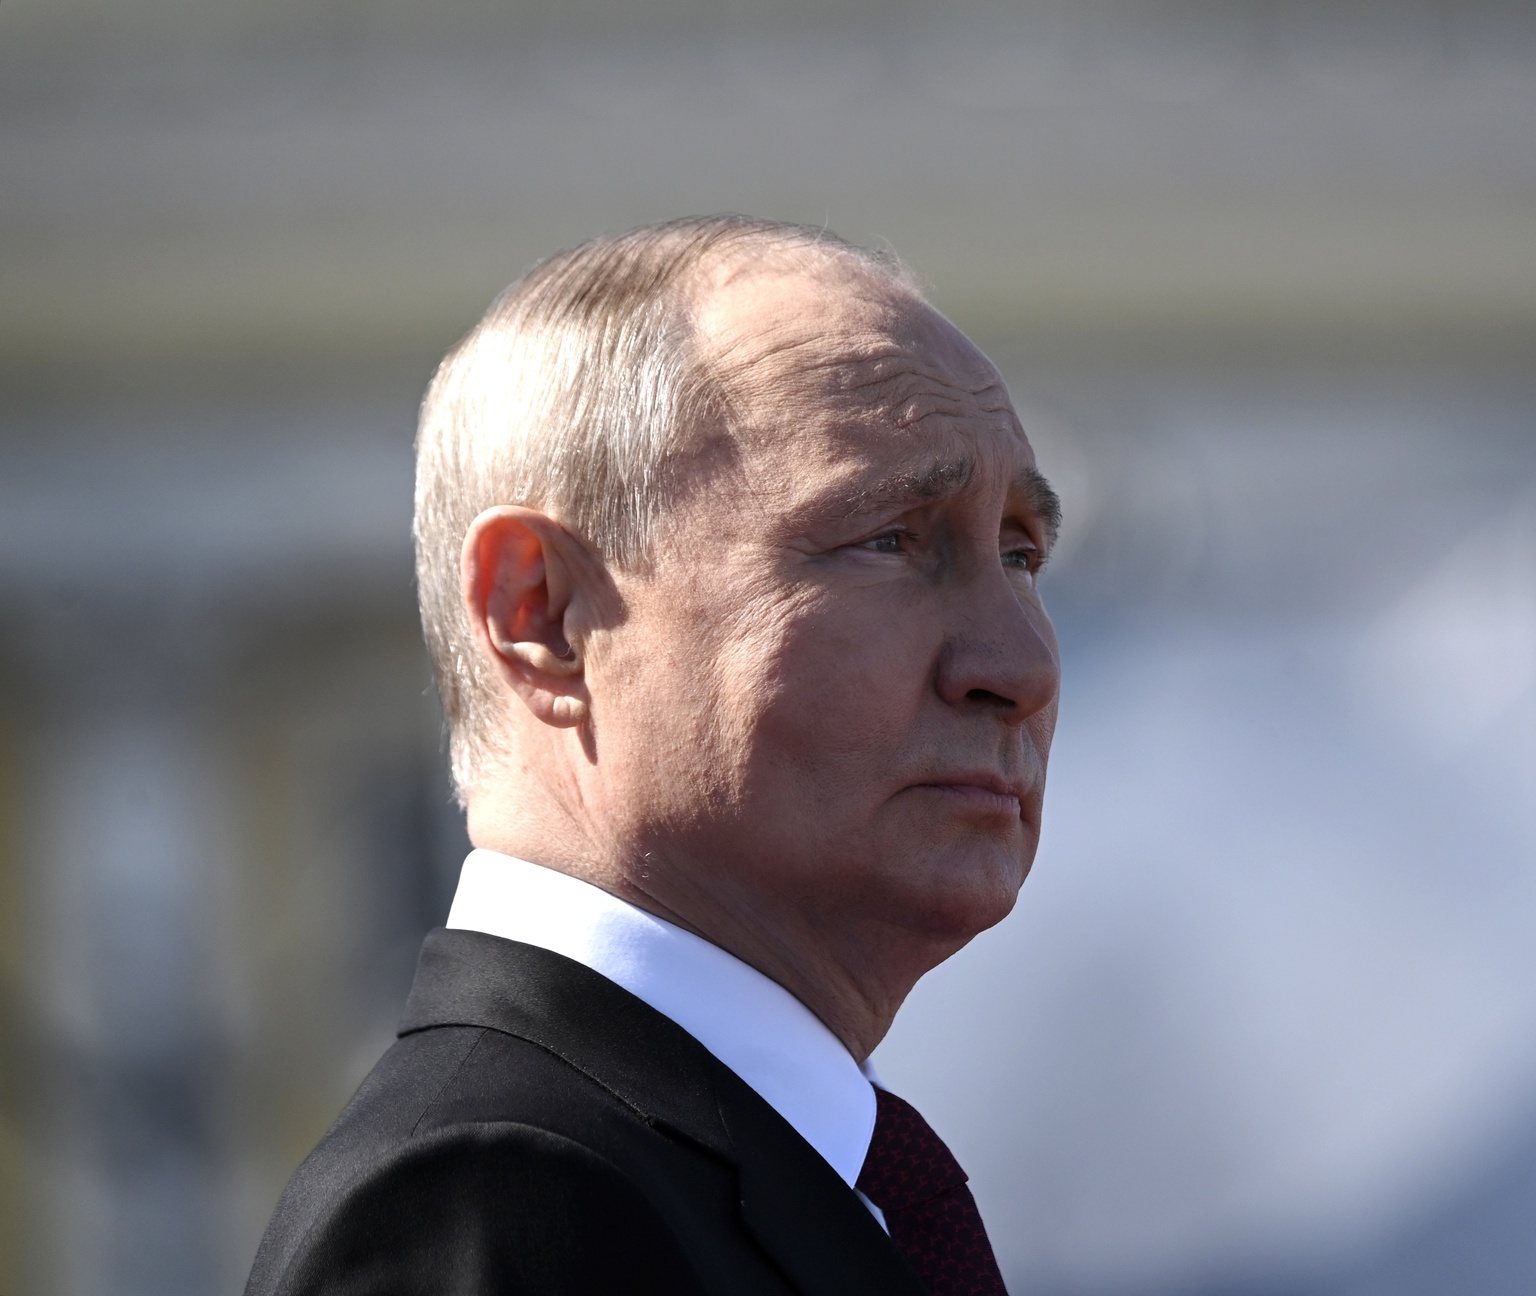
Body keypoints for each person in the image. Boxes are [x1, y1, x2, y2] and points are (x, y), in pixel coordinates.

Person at [242, 216, 1061, 1295]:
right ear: (541, 614)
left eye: (1020, 552)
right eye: (888, 538)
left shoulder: (761, 1176)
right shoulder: (495, 1198)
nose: (1018, 665)